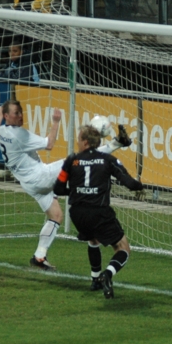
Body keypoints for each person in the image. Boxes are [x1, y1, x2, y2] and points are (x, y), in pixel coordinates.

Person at [0, 101, 132, 271]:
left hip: (28, 182)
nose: (20, 116)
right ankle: (117, 143)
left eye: (20, 112)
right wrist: (56, 122)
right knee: (79, 159)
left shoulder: (0, 132)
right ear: (7, 116)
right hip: (40, 176)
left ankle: (39, 257)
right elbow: (49, 144)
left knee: (55, 215)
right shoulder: (20, 135)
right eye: (15, 113)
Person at [53, 124, 144, 299]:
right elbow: (130, 184)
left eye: (79, 139)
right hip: (99, 212)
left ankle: (95, 280)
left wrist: (76, 191)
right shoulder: (108, 160)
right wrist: (140, 186)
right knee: (123, 247)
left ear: (86, 142)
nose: (77, 142)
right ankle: (107, 274)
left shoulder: (71, 160)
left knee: (93, 239)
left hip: (78, 214)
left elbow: (58, 188)